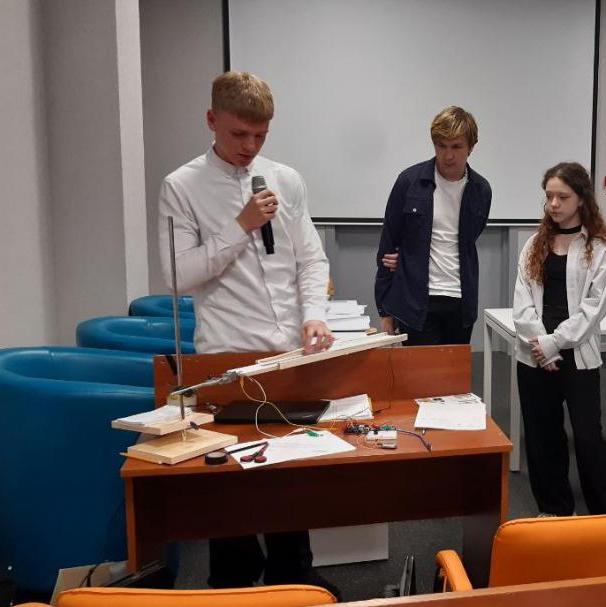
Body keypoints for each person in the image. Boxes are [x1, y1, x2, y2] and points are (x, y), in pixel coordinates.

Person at [158, 71, 337, 596]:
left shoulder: (287, 179)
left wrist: (314, 313)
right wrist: (239, 226)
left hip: (288, 354)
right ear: (211, 120)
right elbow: (177, 276)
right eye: (239, 134)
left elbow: (310, 259)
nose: (250, 147)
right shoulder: (181, 186)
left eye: (260, 135)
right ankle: (233, 584)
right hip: (227, 355)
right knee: (231, 488)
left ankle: (292, 576)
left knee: (290, 478)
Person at [512, 162, 606, 517]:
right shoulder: (534, 244)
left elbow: (593, 311)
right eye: (549, 196)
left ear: (581, 199)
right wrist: (541, 345)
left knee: (588, 437)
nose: (554, 204)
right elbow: (522, 302)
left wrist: (554, 343)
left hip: (576, 354)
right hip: (534, 355)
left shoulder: (601, 249)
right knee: (542, 436)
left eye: (562, 197)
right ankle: (555, 509)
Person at [374, 106, 492, 345]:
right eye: (441, 145)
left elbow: (469, 241)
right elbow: (388, 246)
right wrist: (385, 309)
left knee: (454, 370)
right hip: (417, 300)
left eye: (456, 147)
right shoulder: (409, 182)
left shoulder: (481, 190)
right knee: (422, 370)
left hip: (460, 301)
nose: (448, 156)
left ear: (471, 147)